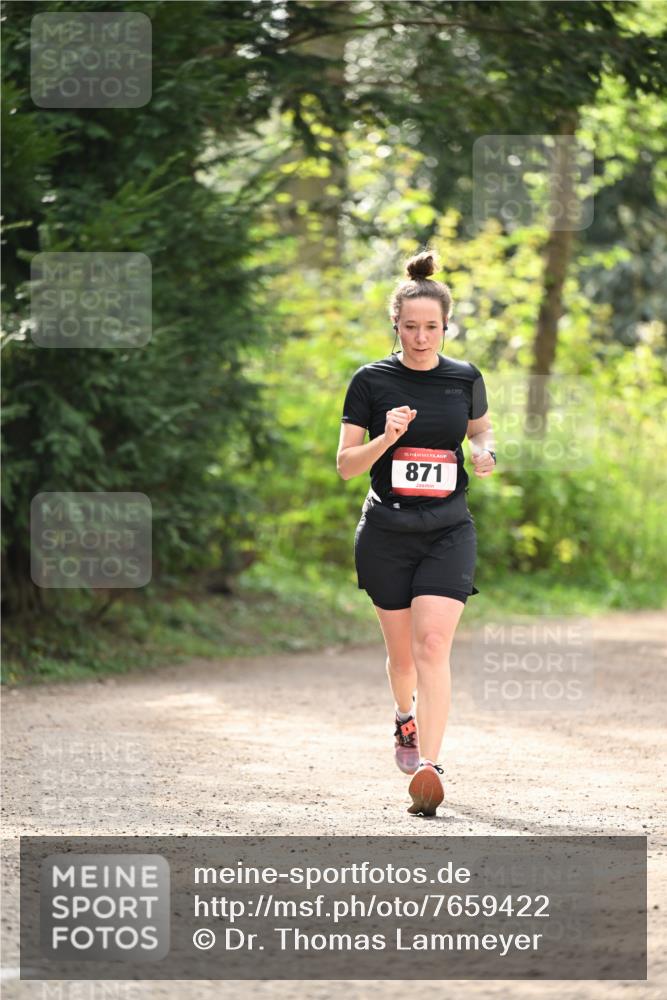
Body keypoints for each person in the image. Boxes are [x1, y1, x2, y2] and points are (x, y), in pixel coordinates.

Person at [336, 249, 496, 817]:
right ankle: (404, 718)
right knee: (401, 657)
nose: (421, 337)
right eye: (411, 327)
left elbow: (480, 432)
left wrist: (485, 453)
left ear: (445, 326)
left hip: (448, 529)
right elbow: (347, 466)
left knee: (433, 645)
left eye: (431, 327)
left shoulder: (464, 378)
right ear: (396, 326)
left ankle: (430, 765)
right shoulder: (370, 381)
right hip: (386, 530)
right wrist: (386, 437)